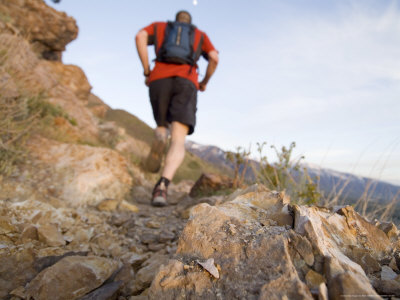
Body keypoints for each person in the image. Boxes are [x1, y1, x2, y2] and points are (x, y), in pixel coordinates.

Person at [135, 10, 219, 207]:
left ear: (176, 20)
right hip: (186, 80)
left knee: (162, 124)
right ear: (190, 22)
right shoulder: (200, 35)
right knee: (179, 139)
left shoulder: (159, 26)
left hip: (159, 79)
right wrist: (204, 81)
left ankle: (160, 134)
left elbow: (140, 36)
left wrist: (147, 70)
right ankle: (162, 187)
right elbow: (214, 58)